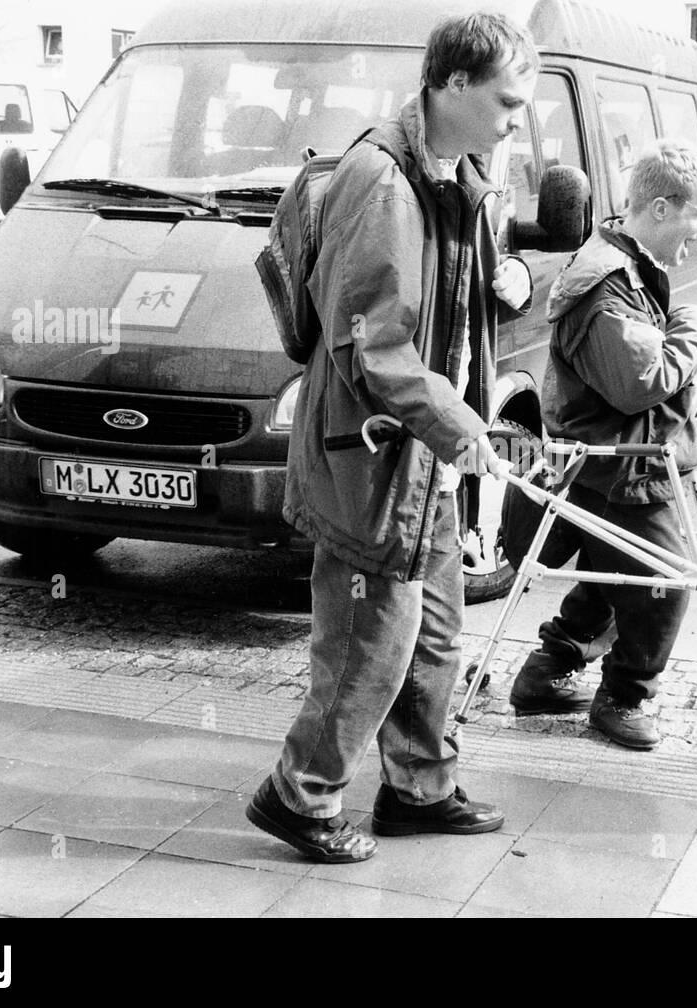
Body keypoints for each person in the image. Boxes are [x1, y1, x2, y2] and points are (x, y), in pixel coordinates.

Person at [246, 13, 536, 864]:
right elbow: (372, 341)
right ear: (451, 86)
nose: (517, 118)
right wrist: (458, 423)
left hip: (425, 460)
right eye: (508, 101)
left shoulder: (457, 171)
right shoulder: (383, 182)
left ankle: (420, 788)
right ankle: (300, 796)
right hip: (374, 462)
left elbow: (449, 310)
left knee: (437, 633)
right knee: (368, 642)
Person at [506, 139, 697, 751]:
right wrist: (694, 328)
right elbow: (639, 383)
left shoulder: (624, 262)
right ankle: (625, 695)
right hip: (618, 460)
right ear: (659, 207)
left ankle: (548, 673)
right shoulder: (606, 283)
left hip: (620, 455)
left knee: (615, 567)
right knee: (666, 579)